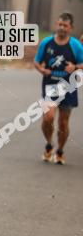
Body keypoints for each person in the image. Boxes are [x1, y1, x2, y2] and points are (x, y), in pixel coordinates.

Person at [34, 12, 83, 165]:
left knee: (63, 123)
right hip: (50, 86)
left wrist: (75, 66)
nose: (61, 28)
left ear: (71, 28)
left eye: (65, 25)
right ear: (56, 24)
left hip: (68, 87)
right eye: (59, 24)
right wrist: (42, 70)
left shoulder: (75, 45)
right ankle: (49, 144)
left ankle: (60, 150)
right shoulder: (47, 43)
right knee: (47, 118)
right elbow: (36, 61)